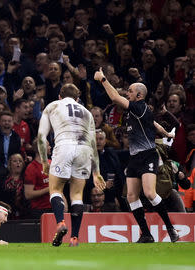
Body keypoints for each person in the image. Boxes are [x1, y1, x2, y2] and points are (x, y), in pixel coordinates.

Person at [94, 68, 179, 243]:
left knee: (149, 193)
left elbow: (115, 98)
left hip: (148, 155)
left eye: (130, 91)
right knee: (131, 196)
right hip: (135, 158)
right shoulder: (138, 112)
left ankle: (171, 229)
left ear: (139, 95)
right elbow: (155, 124)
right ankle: (146, 234)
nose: (127, 93)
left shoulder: (139, 107)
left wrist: (103, 79)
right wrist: (168, 134)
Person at [37, 83, 105, 247]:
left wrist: (45, 162)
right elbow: (93, 144)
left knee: (56, 190)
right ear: (78, 98)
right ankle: (74, 238)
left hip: (64, 146)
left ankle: (60, 223)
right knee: (76, 195)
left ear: (60, 96)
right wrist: (96, 172)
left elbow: (41, 137)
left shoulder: (53, 105)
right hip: (84, 150)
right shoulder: (87, 113)